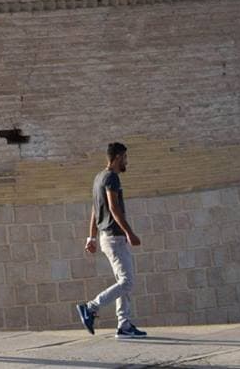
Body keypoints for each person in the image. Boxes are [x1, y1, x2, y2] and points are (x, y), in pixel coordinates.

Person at [76, 141, 147, 339]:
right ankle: (90, 308)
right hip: (115, 237)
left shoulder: (98, 177)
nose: (126, 162)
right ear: (117, 158)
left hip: (106, 237)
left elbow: (94, 210)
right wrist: (130, 233)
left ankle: (124, 326)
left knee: (122, 282)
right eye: (124, 157)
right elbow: (114, 209)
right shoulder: (112, 178)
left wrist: (91, 237)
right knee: (127, 281)